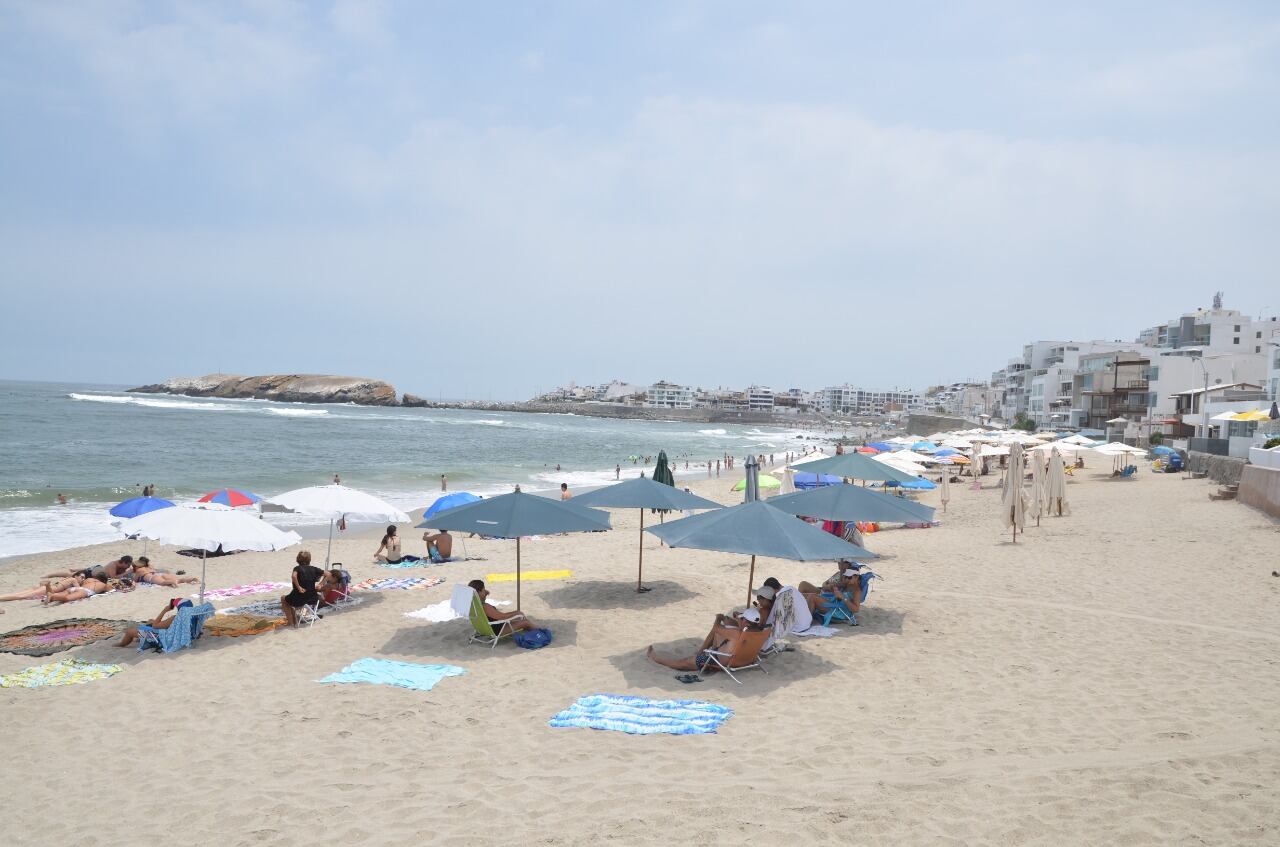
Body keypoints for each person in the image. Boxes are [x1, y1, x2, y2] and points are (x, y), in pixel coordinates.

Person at [646, 608, 766, 673]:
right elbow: (736, 625)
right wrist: (735, 619)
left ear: (745, 621)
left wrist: (718, 619)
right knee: (727, 623)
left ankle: (656, 658)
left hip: (718, 661)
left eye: (742, 619)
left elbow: (716, 629)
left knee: (683, 663)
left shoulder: (736, 634)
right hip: (745, 660)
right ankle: (705, 650)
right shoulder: (759, 633)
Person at [467, 579, 540, 632]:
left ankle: (529, 629)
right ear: (479, 592)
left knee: (519, 618)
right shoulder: (485, 606)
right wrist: (517, 613)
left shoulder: (472, 603)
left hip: (483, 628)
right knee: (525, 621)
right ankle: (540, 632)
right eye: (483, 590)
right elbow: (502, 617)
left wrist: (484, 593)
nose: (485, 591)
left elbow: (480, 595)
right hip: (497, 629)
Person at [117, 598, 191, 647]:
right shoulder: (191, 615)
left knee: (129, 632)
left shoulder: (175, 618)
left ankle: (120, 645)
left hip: (161, 638)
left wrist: (164, 610)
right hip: (174, 635)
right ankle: (139, 637)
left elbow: (155, 626)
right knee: (151, 621)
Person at [798, 563, 863, 617]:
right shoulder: (847, 585)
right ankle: (798, 611)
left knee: (812, 597)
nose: (847, 580)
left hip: (839, 611)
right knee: (802, 594)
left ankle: (806, 621)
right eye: (845, 577)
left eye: (849, 577)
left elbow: (856, 609)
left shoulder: (857, 591)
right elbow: (835, 590)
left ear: (856, 577)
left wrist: (843, 598)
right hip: (834, 603)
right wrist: (835, 588)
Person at [280, 551, 323, 627]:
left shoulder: (297, 568)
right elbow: (328, 574)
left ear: (298, 559)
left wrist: (299, 587)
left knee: (284, 599)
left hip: (300, 599)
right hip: (313, 599)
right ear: (309, 559)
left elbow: (293, 576)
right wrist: (321, 583)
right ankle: (295, 620)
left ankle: (291, 623)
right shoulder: (314, 569)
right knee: (289, 600)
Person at [133, 556, 198, 586]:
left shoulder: (139, 570)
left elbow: (135, 580)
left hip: (152, 577)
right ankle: (191, 579)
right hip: (160, 574)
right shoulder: (150, 566)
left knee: (163, 582)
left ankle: (173, 582)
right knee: (179, 580)